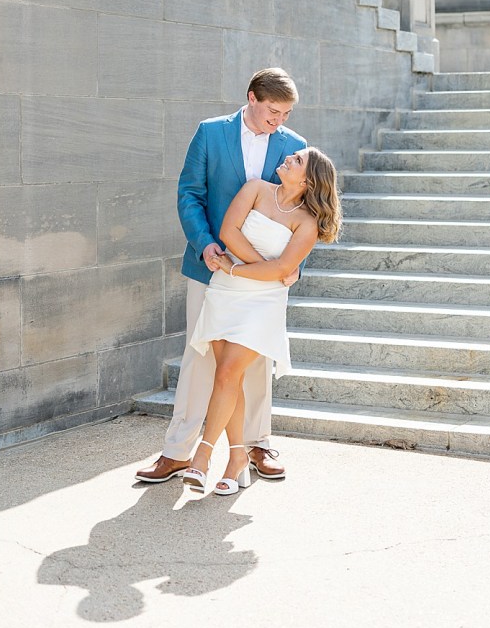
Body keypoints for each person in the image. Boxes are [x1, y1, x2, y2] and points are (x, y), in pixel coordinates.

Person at [135, 68, 306, 485]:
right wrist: (204, 243)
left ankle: (256, 445)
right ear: (252, 97)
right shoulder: (210, 133)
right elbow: (189, 193)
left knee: (257, 358)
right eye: (273, 111)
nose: (279, 121)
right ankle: (177, 451)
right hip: (210, 264)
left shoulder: (295, 147)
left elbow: (300, 211)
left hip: (264, 276)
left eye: (285, 114)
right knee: (200, 356)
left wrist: (292, 265)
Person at [182, 146, 341, 494]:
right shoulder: (255, 188)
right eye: (293, 156)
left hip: (263, 303)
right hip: (226, 291)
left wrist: (241, 268)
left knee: (226, 374)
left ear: (309, 179)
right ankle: (238, 457)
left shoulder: (307, 222)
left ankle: (202, 458)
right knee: (230, 378)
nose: (288, 159)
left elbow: (285, 269)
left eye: (297, 160)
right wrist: (255, 270)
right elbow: (229, 232)